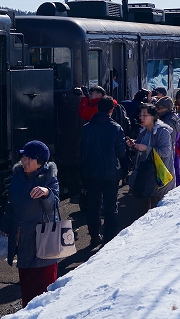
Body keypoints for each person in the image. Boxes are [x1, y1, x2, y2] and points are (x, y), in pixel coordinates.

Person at [0, 141, 60, 307]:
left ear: (39, 161)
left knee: (44, 293)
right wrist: (5, 224)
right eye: (23, 157)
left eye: (28, 158)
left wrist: (47, 193)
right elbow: (10, 204)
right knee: (27, 290)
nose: (23, 161)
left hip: (43, 242)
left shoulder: (49, 177)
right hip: (23, 241)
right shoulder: (17, 176)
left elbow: (54, 207)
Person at [80, 96, 127, 247]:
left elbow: (81, 150)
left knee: (93, 205)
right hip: (111, 173)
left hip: (91, 172)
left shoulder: (86, 128)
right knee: (110, 205)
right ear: (111, 110)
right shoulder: (116, 128)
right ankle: (110, 237)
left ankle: (94, 236)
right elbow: (121, 152)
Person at [127, 103, 174, 216]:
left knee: (157, 212)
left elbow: (166, 152)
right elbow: (140, 150)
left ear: (153, 116)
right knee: (142, 211)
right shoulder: (143, 131)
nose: (141, 118)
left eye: (145, 115)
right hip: (144, 175)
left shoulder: (162, 131)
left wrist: (146, 148)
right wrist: (134, 145)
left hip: (157, 176)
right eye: (140, 115)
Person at [154, 97, 180, 185]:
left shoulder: (167, 121)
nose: (157, 109)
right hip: (171, 147)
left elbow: (165, 137)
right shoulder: (174, 117)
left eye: (159, 107)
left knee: (165, 173)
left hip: (166, 150)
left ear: (167, 108)